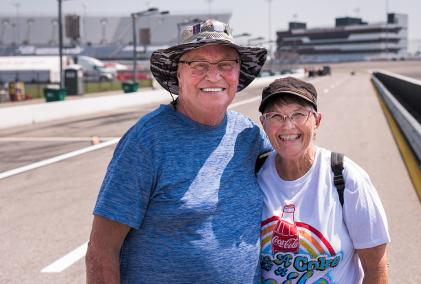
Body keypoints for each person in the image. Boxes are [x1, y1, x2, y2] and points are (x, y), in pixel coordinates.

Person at [85, 19, 271, 283]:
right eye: (199, 65)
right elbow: (101, 248)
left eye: (226, 65)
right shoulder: (147, 140)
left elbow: (297, 170)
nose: (214, 75)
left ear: (237, 73)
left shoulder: (249, 134)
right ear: (178, 74)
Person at [256, 77, 390, 283]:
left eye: (299, 114)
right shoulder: (254, 175)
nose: (288, 125)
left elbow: (376, 270)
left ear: (317, 121)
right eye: (276, 116)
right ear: (264, 124)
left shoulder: (346, 179)